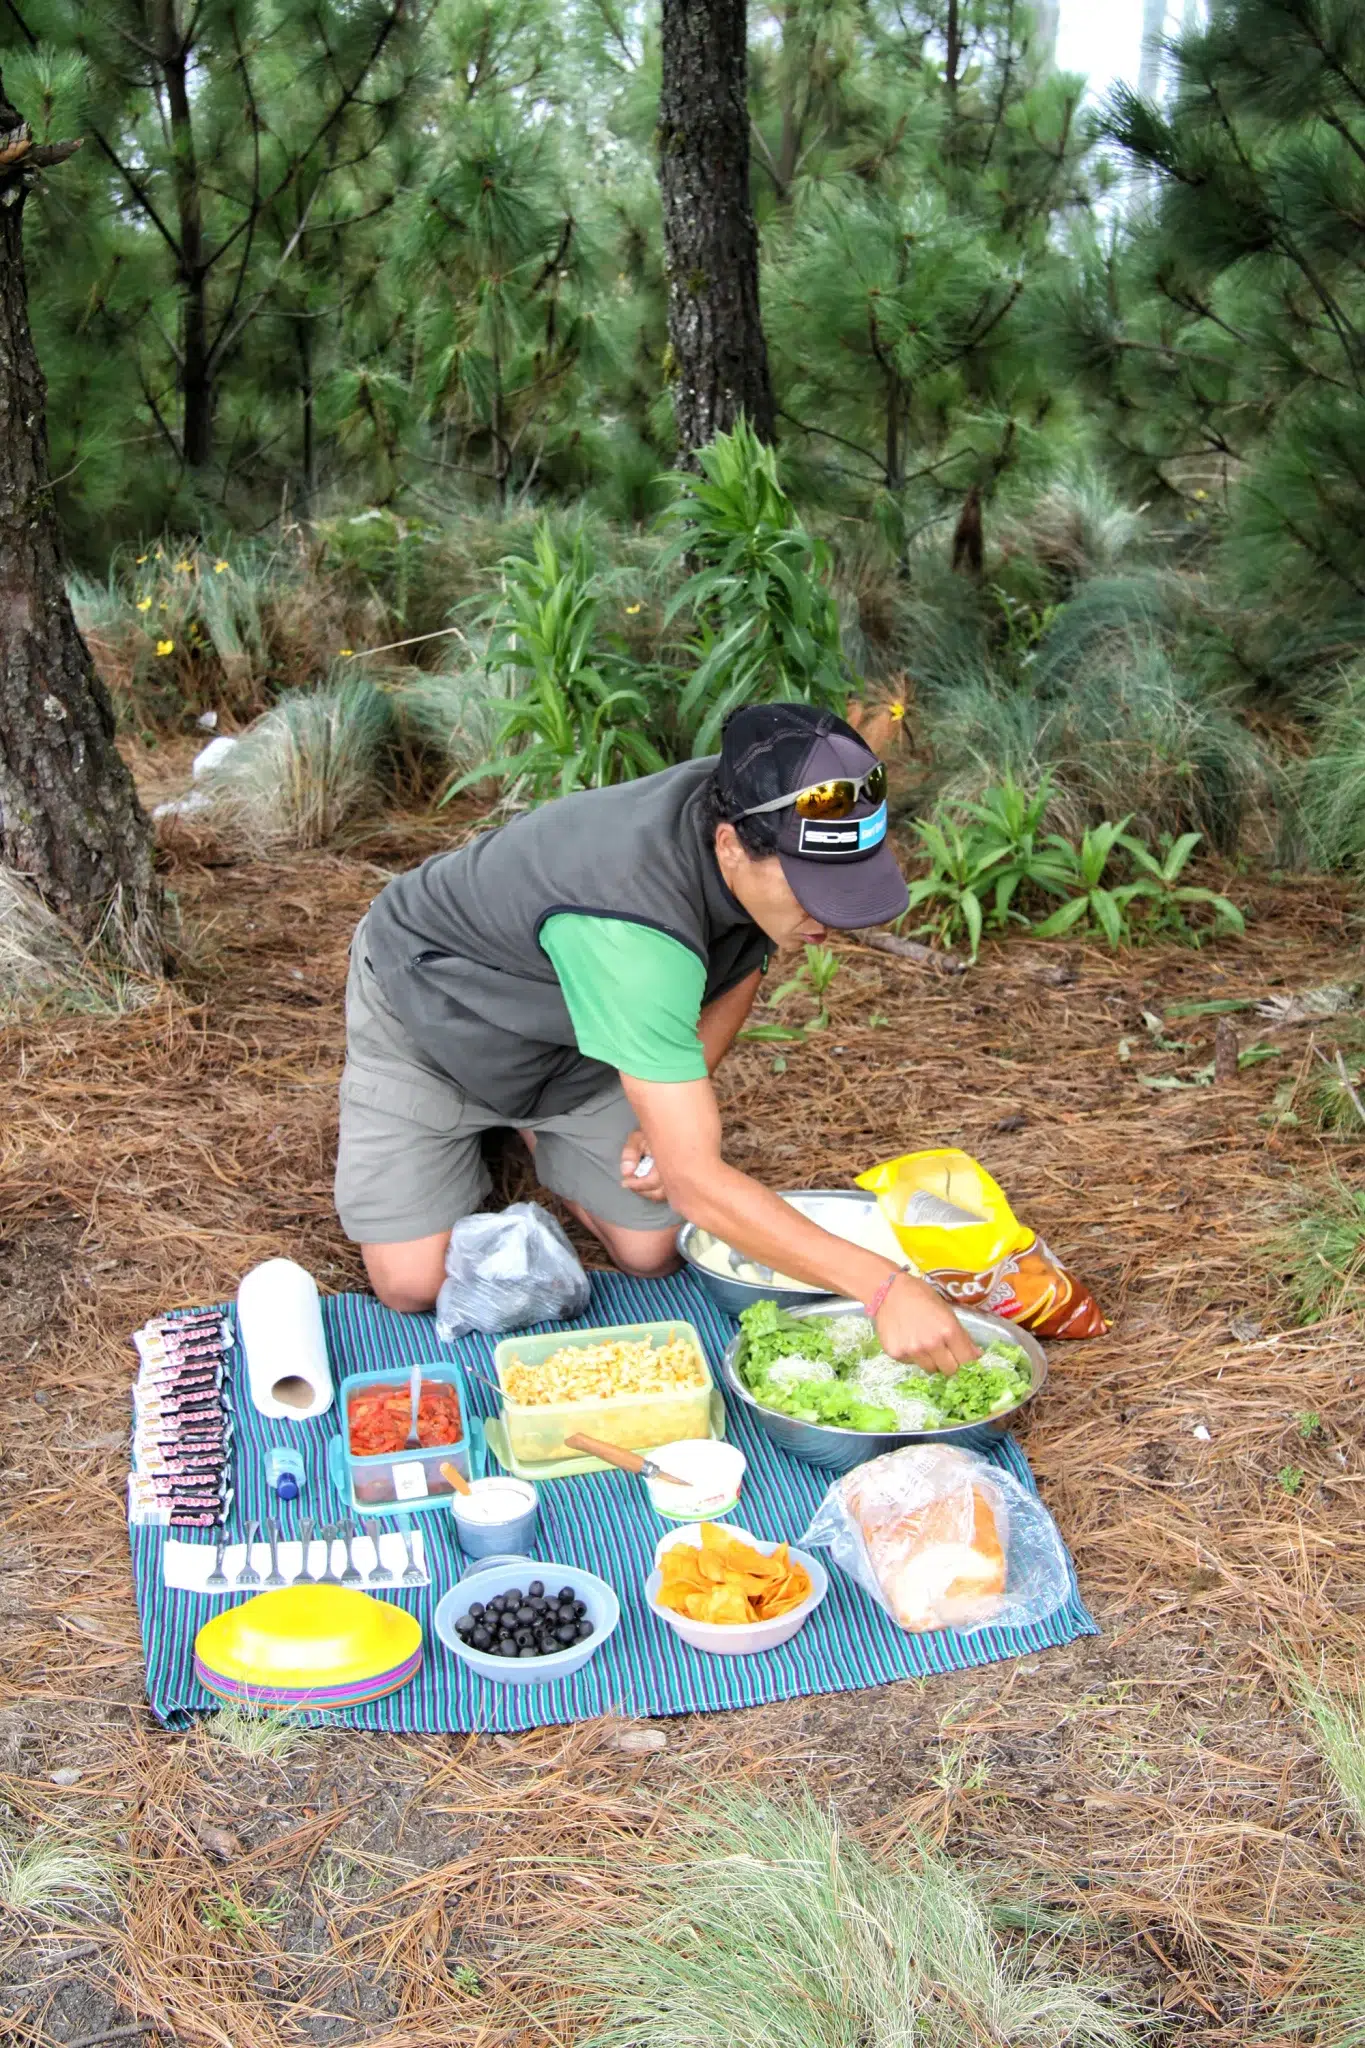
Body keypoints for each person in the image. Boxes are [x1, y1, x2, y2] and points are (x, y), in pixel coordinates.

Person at [334, 701, 978, 1373]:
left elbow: (741, 959)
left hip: (577, 1040)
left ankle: (549, 1122)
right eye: (814, 890)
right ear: (728, 845)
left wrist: (678, 1086)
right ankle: (511, 1122)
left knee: (651, 1250)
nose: (830, 917)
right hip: (434, 1022)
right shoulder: (634, 926)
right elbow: (696, 1185)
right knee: (410, 1283)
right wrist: (881, 1286)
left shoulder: (765, 802)